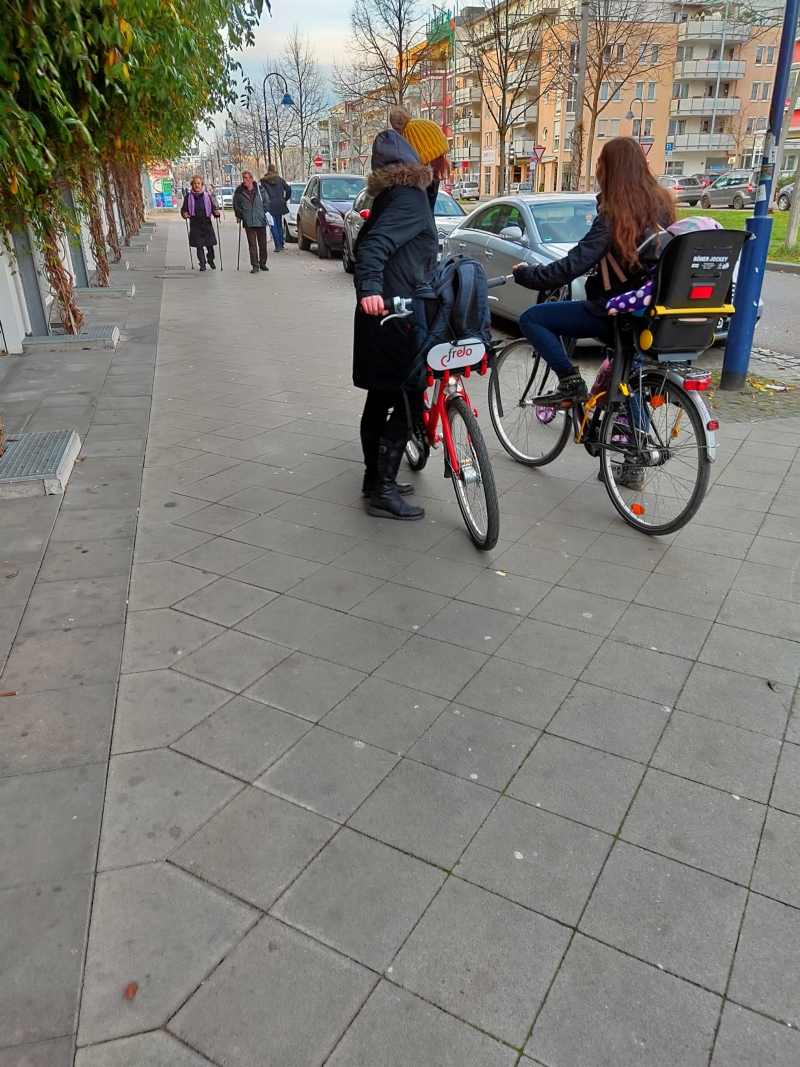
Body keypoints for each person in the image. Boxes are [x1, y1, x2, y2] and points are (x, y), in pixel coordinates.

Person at [512, 137, 676, 402]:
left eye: (600, 162)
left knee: (532, 319)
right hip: (652, 311)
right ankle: (633, 432)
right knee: (624, 372)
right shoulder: (662, 206)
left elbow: (571, 266)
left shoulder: (615, 215)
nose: (597, 168)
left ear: (609, 170)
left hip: (616, 313)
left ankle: (570, 381)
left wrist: (528, 274)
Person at [354, 106, 450, 520]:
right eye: (444, 154)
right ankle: (384, 492)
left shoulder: (401, 192)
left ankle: (374, 478)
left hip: (388, 311)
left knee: (381, 395)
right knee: (410, 398)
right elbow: (373, 248)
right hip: (395, 312)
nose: (451, 161)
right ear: (427, 157)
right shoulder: (411, 197)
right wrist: (371, 290)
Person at [233, 171, 271, 273]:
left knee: (262, 244)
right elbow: (236, 204)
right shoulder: (239, 191)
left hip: (260, 219)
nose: (244, 180)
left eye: (246, 178)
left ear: (251, 179)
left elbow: (267, 201)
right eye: (243, 178)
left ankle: (262, 262)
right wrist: (239, 215)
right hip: (248, 220)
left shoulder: (260, 189)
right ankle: (255, 265)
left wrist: (264, 210)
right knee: (252, 245)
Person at [181, 175, 220, 272]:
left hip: (207, 224)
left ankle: (210, 259)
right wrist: (184, 214)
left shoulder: (207, 196)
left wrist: (216, 213)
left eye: (198, 183)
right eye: (195, 183)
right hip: (195, 224)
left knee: (210, 245)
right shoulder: (188, 197)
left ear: (202, 185)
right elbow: (184, 209)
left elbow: (213, 208)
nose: (197, 185)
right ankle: (202, 263)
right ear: (192, 185)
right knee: (199, 246)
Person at [261, 165, 292, 251]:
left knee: (273, 225)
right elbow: (288, 189)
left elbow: (262, 194)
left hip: (270, 205)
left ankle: (277, 245)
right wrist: (286, 198)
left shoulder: (264, 181)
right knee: (279, 224)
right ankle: (281, 244)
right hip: (280, 203)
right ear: (274, 170)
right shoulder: (279, 179)